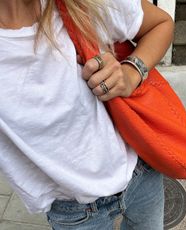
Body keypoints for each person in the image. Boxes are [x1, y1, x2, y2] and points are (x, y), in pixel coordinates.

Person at [0, 0, 174, 229]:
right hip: (73, 210)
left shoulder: (85, 4)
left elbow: (161, 24)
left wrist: (131, 73)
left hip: (140, 172)